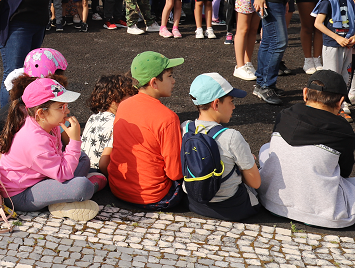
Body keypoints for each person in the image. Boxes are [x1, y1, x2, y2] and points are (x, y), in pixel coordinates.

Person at [257, 70, 355, 228]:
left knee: (267, 148)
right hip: (327, 214)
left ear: (305, 93)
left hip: (272, 202)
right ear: (341, 101)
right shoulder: (342, 130)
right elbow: (344, 172)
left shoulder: (285, 115)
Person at [0, 78, 106, 221]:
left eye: (66, 105)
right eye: (61, 106)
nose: (67, 110)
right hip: (21, 194)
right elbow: (64, 172)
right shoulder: (35, 141)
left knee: (83, 157)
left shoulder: (48, 124)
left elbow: (60, 156)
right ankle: (70, 197)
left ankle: (63, 198)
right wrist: (74, 139)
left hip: (42, 176)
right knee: (82, 186)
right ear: (41, 113)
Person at [108, 51, 185, 210]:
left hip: (117, 188)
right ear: (154, 82)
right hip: (153, 196)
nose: (174, 81)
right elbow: (175, 173)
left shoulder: (123, 106)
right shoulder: (168, 118)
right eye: (170, 76)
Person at [184, 73, 260, 221]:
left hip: (193, 202)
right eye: (231, 101)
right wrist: (248, 160)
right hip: (231, 208)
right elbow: (255, 183)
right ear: (216, 104)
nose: (234, 106)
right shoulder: (231, 137)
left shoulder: (185, 129)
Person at [313, 0, 355, 118]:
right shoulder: (327, 0)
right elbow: (318, 23)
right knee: (332, 77)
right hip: (333, 45)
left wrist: (353, 35)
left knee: (345, 76)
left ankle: (339, 103)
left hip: (346, 44)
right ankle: (331, 107)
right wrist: (337, 37)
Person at [80, 74, 136, 173]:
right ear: (115, 99)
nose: (133, 99)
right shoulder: (117, 123)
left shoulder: (93, 118)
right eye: (130, 95)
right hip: (98, 173)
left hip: (82, 167)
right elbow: (103, 165)